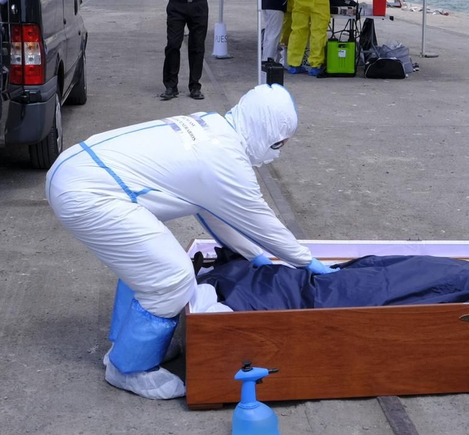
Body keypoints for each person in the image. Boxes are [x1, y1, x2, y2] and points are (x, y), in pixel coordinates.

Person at [46, 84, 337, 399]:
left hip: (77, 169)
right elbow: (260, 221)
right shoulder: (226, 161)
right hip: (88, 193)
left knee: (146, 265)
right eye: (278, 143)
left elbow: (213, 210)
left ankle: (130, 342)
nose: (277, 152)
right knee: (171, 278)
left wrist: (255, 257)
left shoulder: (211, 126)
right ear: (264, 131)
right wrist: (306, 261)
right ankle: (129, 369)